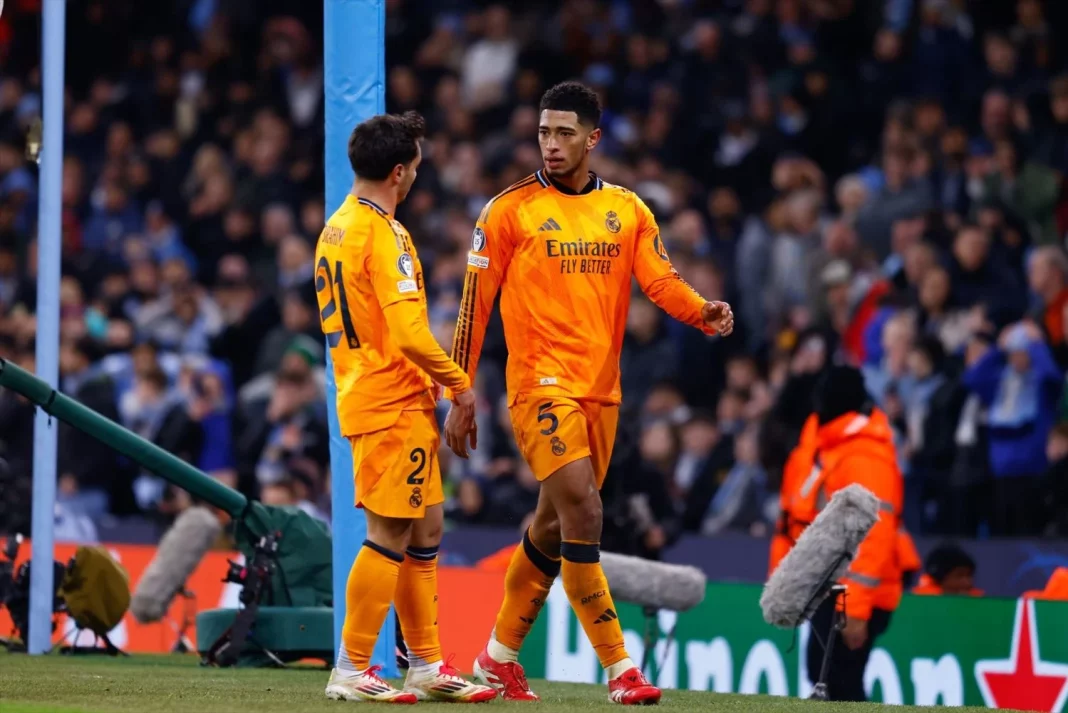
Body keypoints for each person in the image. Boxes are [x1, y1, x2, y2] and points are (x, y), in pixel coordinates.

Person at [444, 81, 735, 705]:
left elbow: (661, 278)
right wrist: (459, 390)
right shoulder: (507, 211)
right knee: (584, 511)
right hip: (539, 386)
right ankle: (621, 668)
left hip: (601, 394)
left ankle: (496, 658)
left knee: (552, 527)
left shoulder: (628, 209)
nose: (551, 144)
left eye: (564, 133)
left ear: (592, 139)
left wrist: (700, 311)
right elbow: (474, 308)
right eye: (544, 132)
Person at [317, 111, 495, 704]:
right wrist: (460, 386)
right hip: (392, 398)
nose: (417, 177)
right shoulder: (383, 233)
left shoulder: (336, 226)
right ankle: (352, 667)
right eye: (415, 167)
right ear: (399, 172)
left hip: (373, 393)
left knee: (426, 526)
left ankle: (424, 663)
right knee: (389, 533)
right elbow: (412, 334)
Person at [789, 366, 904, 703]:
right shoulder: (831, 447)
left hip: (852, 592)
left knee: (840, 680)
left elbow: (873, 538)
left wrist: (856, 609)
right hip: (831, 585)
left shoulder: (865, 455)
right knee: (826, 676)